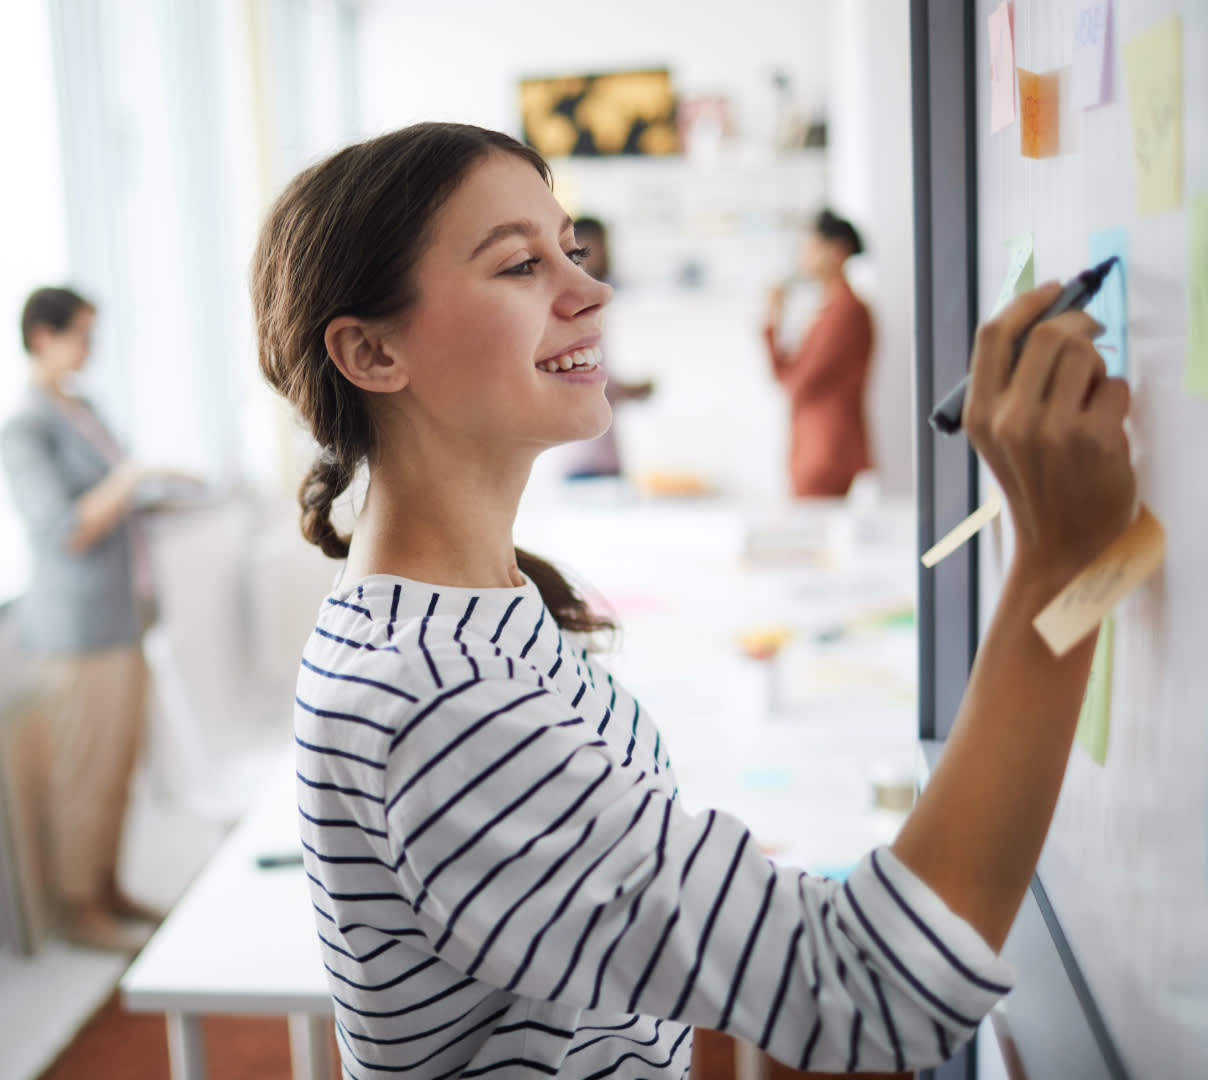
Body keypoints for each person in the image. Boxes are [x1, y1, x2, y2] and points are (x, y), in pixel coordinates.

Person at [251, 122, 1134, 1078]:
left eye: (571, 251)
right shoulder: (432, 694)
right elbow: (876, 991)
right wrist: (1066, 565)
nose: (591, 291)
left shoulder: (476, 606)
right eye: (519, 266)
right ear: (372, 354)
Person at [1, 287, 182, 952]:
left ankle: (108, 886)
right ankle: (81, 910)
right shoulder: (25, 424)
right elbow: (63, 529)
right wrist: (131, 480)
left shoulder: (83, 407)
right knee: (85, 770)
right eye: (80, 334)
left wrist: (153, 494)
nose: (90, 349)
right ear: (41, 336)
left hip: (123, 616)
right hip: (78, 632)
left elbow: (113, 500)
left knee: (119, 765)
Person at [763, 208, 874, 497]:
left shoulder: (846, 311)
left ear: (837, 251)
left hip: (826, 450)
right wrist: (774, 320)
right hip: (815, 446)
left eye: (810, 246)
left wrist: (773, 323)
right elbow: (789, 377)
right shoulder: (829, 310)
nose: (802, 255)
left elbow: (796, 383)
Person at [556, 215, 654, 480]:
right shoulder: (570, 311)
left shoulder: (595, 307)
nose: (604, 253)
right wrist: (629, 391)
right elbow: (576, 384)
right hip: (584, 459)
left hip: (603, 454)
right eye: (592, 247)